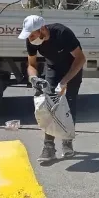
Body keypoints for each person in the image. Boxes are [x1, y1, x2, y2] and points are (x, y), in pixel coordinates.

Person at [18, 15, 87, 161]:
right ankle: (48, 147)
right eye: (28, 36)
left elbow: (81, 58)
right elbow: (31, 64)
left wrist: (64, 82)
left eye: (32, 35)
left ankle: (67, 142)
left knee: (68, 104)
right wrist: (34, 79)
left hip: (72, 68)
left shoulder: (62, 33)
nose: (30, 38)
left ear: (42, 28)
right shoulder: (31, 41)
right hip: (52, 68)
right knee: (48, 105)